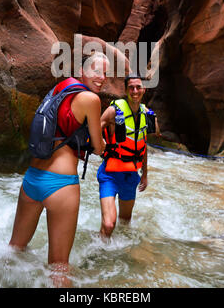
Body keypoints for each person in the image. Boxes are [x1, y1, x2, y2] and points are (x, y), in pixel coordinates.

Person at [9, 52, 108, 285]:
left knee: (14, 250)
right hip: (60, 185)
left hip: (32, 179)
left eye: (105, 73)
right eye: (96, 70)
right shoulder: (91, 100)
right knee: (59, 266)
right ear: (83, 70)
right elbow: (97, 148)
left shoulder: (59, 88)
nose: (102, 77)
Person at [98, 74, 160, 239]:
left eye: (138, 87)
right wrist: (101, 144)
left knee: (125, 222)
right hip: (109, 174)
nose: (135, 91)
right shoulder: (113, 111)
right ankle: (98, 251)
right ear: (125, 90)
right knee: (109, 224)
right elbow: (94, 129)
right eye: (131, 87)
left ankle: (115, 253)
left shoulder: (146, 114)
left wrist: (145, 174)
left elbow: (142, 146)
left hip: (131, 176)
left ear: (143, 89)